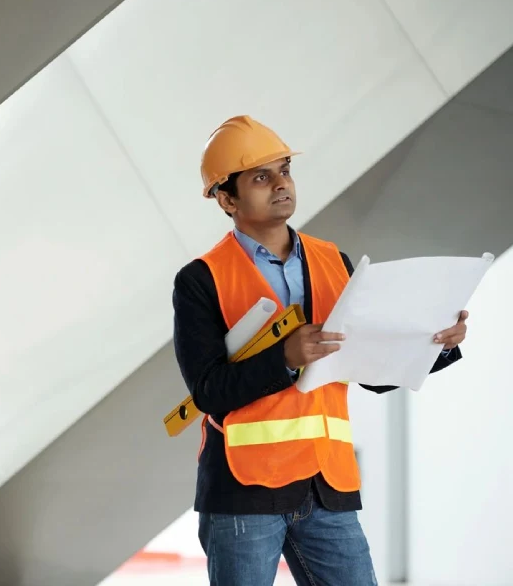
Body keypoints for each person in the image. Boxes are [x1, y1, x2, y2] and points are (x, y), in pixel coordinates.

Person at [171, 115, 468, 585]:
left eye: (284, 170)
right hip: (245, 491)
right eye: (261, 177)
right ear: (227, 199)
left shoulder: (333, 262)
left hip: (326, 487)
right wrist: (284, 359)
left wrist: (436, 343)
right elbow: (209, 391)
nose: (281, 184)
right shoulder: (201, 280)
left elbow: (367, 368)